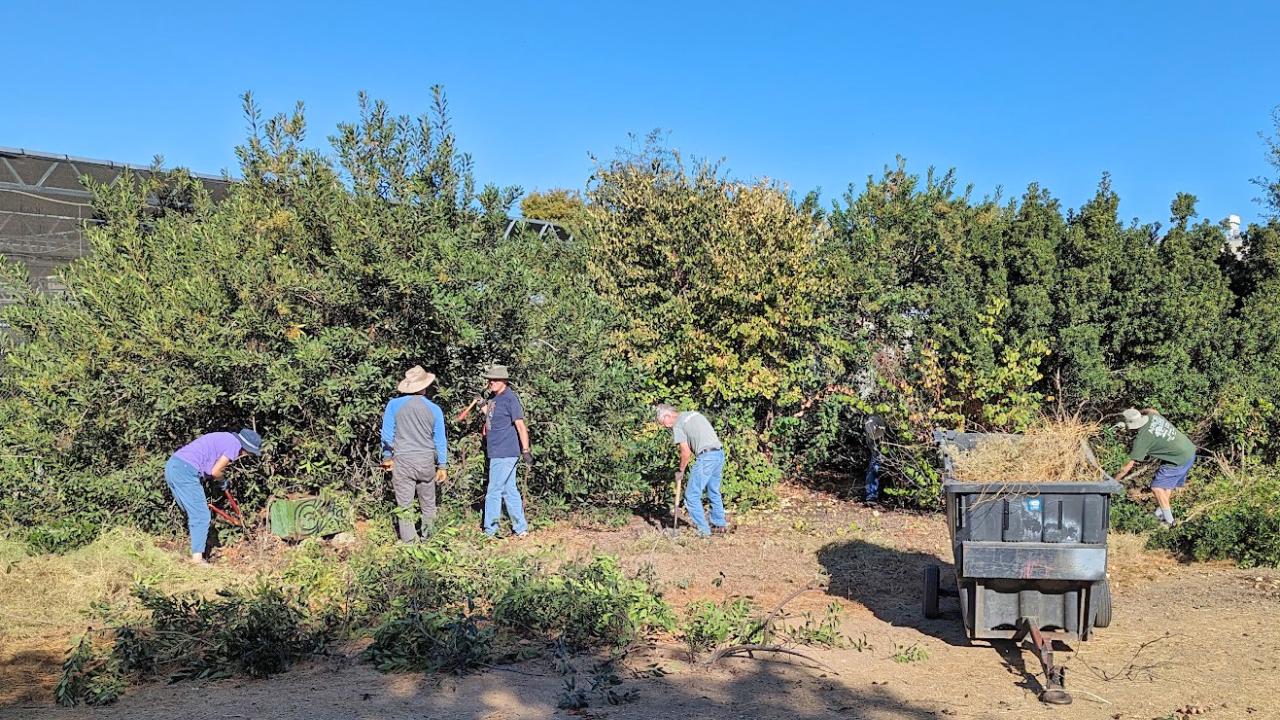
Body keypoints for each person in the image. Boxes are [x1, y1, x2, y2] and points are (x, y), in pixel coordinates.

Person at [165, 428, 262, 564]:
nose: (246, 456)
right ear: (245, 447)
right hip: (185, 470)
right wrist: (222, 481)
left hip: (173, 466)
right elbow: (215, 471)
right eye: (249, 453)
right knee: (201, 515)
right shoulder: (234, 445)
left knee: (193, 513)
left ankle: (195, 549)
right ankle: (197, 560)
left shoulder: (226, 438)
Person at [381, 365, 448, 543]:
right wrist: (442, 465)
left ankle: (410, 544)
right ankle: (429, 541)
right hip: (426, 461)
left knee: (404, 506)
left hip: (403, 461)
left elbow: (387, 436)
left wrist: (387, 458)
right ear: (425, 386)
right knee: (428, 504)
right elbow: (440, 440)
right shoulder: (434, 409)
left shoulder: (393, 405)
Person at [1112, 407, 1196, 527]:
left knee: (1157, 488)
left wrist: (1114, 480)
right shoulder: (1152, 417)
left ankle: (1170, 522)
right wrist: (1138, 412)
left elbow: (1128, 465)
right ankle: (1159, 516)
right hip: (1188, 450)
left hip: (1178, 459)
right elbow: (1153, 410)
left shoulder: (1142, 439)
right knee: (1166, 486)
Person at [655, 403, 727, 537]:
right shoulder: (693, 414)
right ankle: (720, 525)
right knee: (713, 491)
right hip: (719, 454)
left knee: (691, 496)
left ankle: (704, 532)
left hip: (706, 457)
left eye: (662, 422)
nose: (664, 426)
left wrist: (681, 470)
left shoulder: (678, 424)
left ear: (667, 415)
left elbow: (685, 452)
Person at [481, 365, 532, 538]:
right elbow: (492, 417)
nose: (491, 382)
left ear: (504, 381)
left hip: (505, 451)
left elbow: (520, 425)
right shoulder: (494, 399)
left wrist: (525, 450)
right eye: (489, 380)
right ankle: (521, 528)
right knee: (509, 490)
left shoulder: (510, 399)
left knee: (494, 490)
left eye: (495, 380)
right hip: (495, 451)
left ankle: (490, 530)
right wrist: (482, 405)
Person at [863, 414, 887, 503]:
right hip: (878, 449)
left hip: (889, 446)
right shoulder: (870, 432)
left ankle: (874, 494)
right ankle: (871, 495)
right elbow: (872, 446)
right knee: (874, 467)